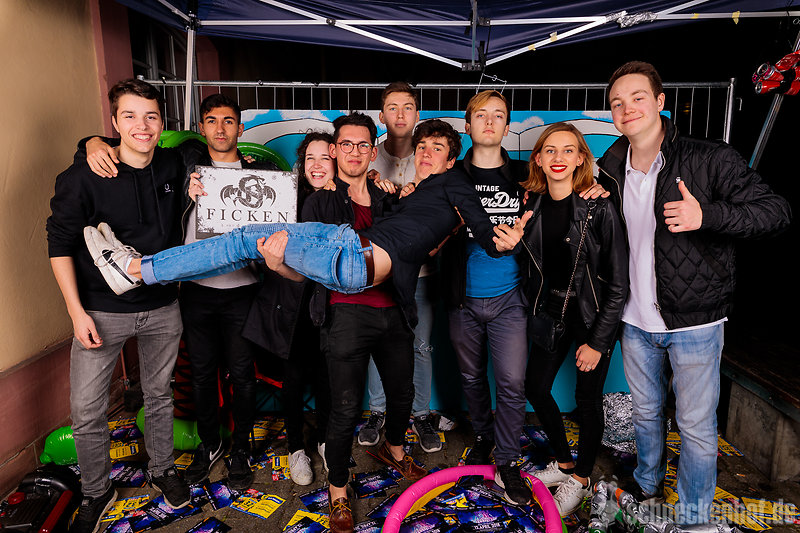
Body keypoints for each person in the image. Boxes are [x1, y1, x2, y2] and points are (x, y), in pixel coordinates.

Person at [597, 61, 791, 524]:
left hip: (696, 322)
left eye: (637, 98)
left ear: (660, 102)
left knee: (696, 428)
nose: (627, 109)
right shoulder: (609, 166)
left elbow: (776, 211)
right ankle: (647, 484)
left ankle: (693, 516)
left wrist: (707, 216)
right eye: (617, 103)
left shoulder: (709, 158)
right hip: (635, 320)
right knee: (645, 415)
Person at [83, 93, 279, 491]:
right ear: (201, 127)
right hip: (195, 291)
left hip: (244, 291)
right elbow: (129, 146)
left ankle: (241, 448)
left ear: (240, 128)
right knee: (202, 375)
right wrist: (90, 142)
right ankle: (210, 445)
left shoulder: (263, 175)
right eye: (212, 121)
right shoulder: (182, 165)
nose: (221, 129)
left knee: (243, 374)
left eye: (228, 121)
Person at [46, 79, 190, 533]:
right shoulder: (83, 176)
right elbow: (59, 245)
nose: (141, 126)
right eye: (129, 116)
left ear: (162, 122)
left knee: (159, 395)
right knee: (87, 409)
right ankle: (96, 490)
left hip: (163, 306)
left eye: (151, 116)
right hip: (101, 311)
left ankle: (162, 468)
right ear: (113, 121)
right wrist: (76, 312)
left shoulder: (173, 164)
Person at [519, 122, 628, 516]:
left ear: (582, 158)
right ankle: (564, 463)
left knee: (587, 400)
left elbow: (619, 284)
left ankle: (581, 478)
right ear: (538, 159)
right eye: (550, 150)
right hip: (551, 312)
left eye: (568, 150)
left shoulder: (599, 208)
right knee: (535, 387)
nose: (558, 158)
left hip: (590, 316)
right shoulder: (530, 204)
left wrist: (598, 341)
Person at [438, 89, 532, 505]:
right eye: (481, 114)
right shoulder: (451, 178)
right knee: (472, 377)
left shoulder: (527, 176)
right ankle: (482, 436)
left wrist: (594, 190)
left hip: (510, 297)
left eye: (498, 115)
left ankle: (508, 460)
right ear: (467, 124)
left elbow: (571, 190)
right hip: (462, 298)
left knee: (511, 382)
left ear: (507, 127)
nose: (490, 121)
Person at [243, 132, 335, 486]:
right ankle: (296, 447)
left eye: (325, 157)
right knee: (293, 379)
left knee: (328, 377)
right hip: (289, 303)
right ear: (301, 164)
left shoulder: (345, 197)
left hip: (331, 303)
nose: (317, 165)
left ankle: (325, 441)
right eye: (310, 158)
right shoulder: (284, 197)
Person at [361, 81, 437, 450]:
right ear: (381, 115)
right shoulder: (368, 157)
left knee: (420, 347)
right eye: (393, 107)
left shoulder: (430, 156)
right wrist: (369, 183)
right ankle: (377, 411)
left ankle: (421, 415)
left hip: (421, 273)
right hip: (379, 272)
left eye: (407, 107)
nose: (400, 114)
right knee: (378, 344)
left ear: (417, 114)